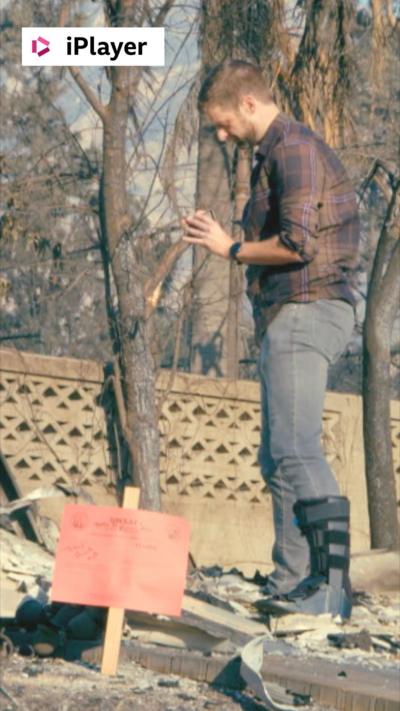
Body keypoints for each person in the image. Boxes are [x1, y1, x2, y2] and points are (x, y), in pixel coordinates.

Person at [182, 60, 360, 618]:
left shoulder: (294, 149)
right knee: (275, 456)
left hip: (309, 311)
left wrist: (229, 248)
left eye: (224, 121)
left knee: (296, 448)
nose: (221, 133)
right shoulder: (272, 157)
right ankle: (292, 584)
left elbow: (298, 245)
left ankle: (331, 589)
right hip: (289, 314)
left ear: (250, 105)